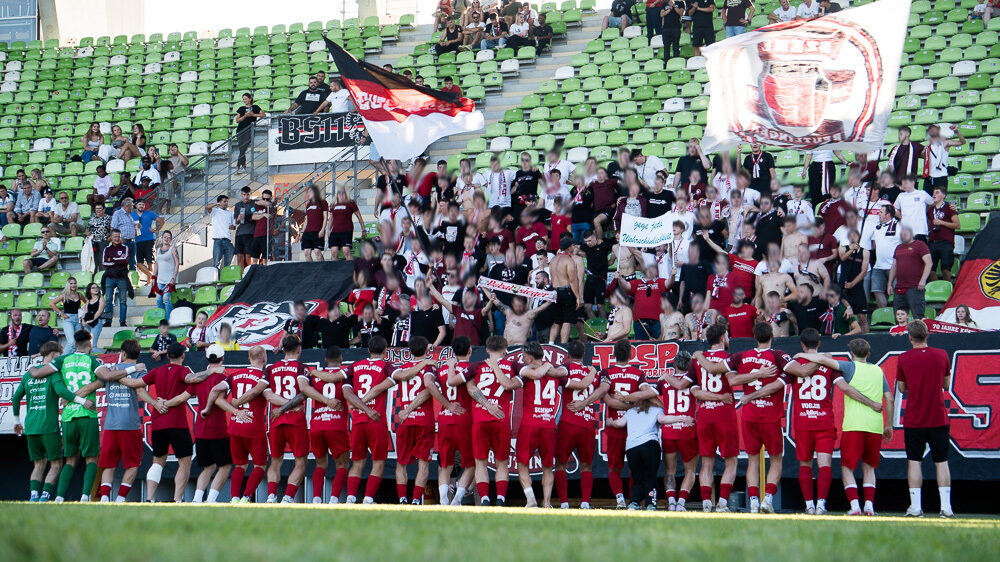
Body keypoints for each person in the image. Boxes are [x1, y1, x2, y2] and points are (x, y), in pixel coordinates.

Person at [698, 322, 810, 513]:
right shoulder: (777, 355)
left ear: (754, 337)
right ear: (772, 335)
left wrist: (699, 355)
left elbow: (719, 372)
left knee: (752, 460)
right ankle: (768, 500)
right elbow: (802, 371)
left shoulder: (742, 356)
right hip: (770, 415)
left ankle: (754, 502)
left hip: (749, 415)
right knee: (776, 460)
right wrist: (819, 358)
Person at [28, 330, 133, 502]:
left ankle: (59, 497)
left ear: (75, 344)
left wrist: (31, 365)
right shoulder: (93, 360)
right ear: (90, 344)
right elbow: (105, 377)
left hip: (68, 416)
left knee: (70, 460)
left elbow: (36, 374)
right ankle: (85, 496)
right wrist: (130, 370)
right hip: (87, 413)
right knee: (92, 458)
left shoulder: (62, 360)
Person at [798, 339, 892, 516]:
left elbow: (824, 361)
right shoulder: (878, 370)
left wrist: (800, 354)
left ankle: (855, 506)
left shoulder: (848, 367)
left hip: (854, 424)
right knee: (869, 467)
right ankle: (869, 507)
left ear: (851, 354)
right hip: (875, 425)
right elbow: (890, 398)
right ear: (869, 354)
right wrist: (889, 425)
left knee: (847, 467)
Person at [123, 343, 195, 502]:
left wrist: (156, 403)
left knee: (157, 461)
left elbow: (138, 387)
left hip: (158, 422)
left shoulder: (157, 370)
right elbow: (186, 393)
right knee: (184, 462)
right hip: (177, 422)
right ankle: (177, 499)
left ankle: (149, 498)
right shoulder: (185, 371)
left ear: (168, 356)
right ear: (183, 356)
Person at [897, 320, 955, 518]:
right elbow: (946, 384)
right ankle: (946, 507)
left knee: (914, 461)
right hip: (938, 416)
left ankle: (915, 507)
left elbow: (902, 388)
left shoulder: (904, 358)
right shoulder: (941, 355)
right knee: (942, 461)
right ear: (927, 334)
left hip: (915, 418)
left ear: (910, 337)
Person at [12, 340, 79, 501]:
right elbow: (61, 391)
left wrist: (16, 421)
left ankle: (33, 495)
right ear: (54, 355)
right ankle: (45, 495)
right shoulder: (53, 373)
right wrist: (80, 400)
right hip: (49, 427)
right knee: (56, 463)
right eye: (59, 355)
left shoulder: (29, 374)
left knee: (38, 463)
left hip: (31, 426)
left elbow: (15, 398)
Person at [598, 340, 659, 508]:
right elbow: (646, 393)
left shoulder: (606, 372)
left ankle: (620, 500)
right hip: (635, 427)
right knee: (637, 469)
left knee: (614, 468)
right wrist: (632, 405)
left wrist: (623, 403)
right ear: (631, 354)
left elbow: (608, 402)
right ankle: (634, 501)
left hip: (615, 426)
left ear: (614, 354)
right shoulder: (638, 373)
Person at [463, 335, 522, 506]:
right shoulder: (513, 365)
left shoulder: (476, 366)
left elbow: (463, 383)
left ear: (487, 349)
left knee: (480, 463)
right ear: (506, 350)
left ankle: (485, 499)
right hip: (501, 418)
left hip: (480, 419)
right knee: (502, 462)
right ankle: (501, 499)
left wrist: (486, 404)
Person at [96, 339, 155, 503]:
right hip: (130, 424)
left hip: (110, 424)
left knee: (109, 464)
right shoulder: (140, 370)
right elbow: (141, 391)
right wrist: (155, 403)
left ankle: (105, 498)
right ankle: (120, 499)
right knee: (133, 464)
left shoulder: (110, 370)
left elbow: (98, 382)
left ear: (122, 353)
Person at [341, 335, 397, 504]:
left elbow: (346, 391)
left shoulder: (355, 366)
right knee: (378, 463)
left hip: (358, 421)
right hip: (376, 419)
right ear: (385, 351)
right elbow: (392, 381)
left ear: (368, 350)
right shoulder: (386, 366)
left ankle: (350, 497)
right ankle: (368, 499)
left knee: (357, 462)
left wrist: (359, 405)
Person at [553, 340, 604, 509]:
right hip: (588, 423)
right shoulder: (593, 372)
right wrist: (586, 403)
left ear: (567, 356)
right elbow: (601, 390)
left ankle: (564, 503)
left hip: (568, 422)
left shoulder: (565, 369)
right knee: (586, 466)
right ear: (584, 354)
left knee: (560, 464)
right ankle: (585, 503)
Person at [178, 345, 233, 504]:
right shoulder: (222, 378)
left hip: (200, 428)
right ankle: (210, 500)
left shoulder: (199, 378)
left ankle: (196, 499)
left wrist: (163, 403)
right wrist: (235, 411)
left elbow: (182, 398)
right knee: (225, 466)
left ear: (207, 358)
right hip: (217, 427)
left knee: (208, 467)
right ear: (222, 358)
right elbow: (218, 400)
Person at [515, 343, 567, 508]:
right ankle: (546, 502)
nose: (523, 360)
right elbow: (564, 375)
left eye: (524, 357)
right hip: (548, 424)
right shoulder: (555, 372)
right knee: (547, 466)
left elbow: (512, 383)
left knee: (522, 463)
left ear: (530, 358)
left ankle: (530, 499)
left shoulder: (527, 373)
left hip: (530, 424)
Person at [389, 337, 437, 505]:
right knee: (423, 463)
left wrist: (407, 410)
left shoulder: (402, 368)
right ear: (427, 350)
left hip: (405, 420)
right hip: (424, 419)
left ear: (409, 351)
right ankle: (416, 500)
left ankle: (402, 499)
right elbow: (428, 390)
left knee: (401, 462)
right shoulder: (429, 367)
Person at [433, 337, 475, 506]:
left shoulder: (443, 369)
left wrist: (447, 405)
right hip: (465, 418)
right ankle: (457, 499)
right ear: (470, 350)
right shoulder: (472, 369)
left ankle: (444, 500)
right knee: (471, 463)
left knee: (445, 463)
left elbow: (431, 386)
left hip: (445, 419)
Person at [888, 225, 932, 319]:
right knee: (899, 315)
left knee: (918, 315)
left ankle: (920, 333)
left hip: (915, 286)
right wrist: (889, 284)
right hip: (900, 287)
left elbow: (929, 263)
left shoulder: (920, 245)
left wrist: (923, 280)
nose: (903, 235)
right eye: (901, 234)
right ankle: (900, 333)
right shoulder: (898, 247)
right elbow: (894, 267)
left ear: (911, 234)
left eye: (905, 233)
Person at [863, 205, 901, 310]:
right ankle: (884, 313)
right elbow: (874, 245)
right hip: (878, 265)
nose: (878, 214)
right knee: (876, 290)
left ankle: (897, 314)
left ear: (888, 215)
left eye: (881, 212)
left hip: (894, 265)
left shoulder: (899, 226)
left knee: (896, 291)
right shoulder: (877, 227)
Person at [927, 186, 959, 282]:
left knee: (945, 269)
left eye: (937, 193)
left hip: (946, 242)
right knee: (930, 270)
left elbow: (957, 225)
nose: (934, 195)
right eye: (933, 193)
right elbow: (930, 225)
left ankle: (947, 289)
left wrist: (942, 223)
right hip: (933, 242)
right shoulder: (930, 210)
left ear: (944, 195)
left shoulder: (949, 208)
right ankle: (937, 289)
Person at [923, 124, 965, 192]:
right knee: (928, 200)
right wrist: (924, 151)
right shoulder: (928, 145)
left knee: (940, 198)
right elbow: (924, 157)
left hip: (941, 175)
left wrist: (957, 131)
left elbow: (962, 142)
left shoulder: (945, 143)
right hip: (929, 176)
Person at [131, 199, 163, 284]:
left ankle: (150, 282)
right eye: (140, 204)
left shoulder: (150, 213)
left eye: (143, 204)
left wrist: (156, 230)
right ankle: (152, 276)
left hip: (149, 239)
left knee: (150, 261)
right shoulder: (131, 215)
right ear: (136, 205)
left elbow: (161, 221)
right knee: (139, 263)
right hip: (137, 240)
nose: (141, 206)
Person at [328, 188, 365, 261]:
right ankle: (335, 271)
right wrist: (328, 229)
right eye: (339, 193)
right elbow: (331, 218)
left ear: (346, 194)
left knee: (346, 251)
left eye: (343, 193)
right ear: (337, 195)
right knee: (334, 252)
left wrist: (363, 229)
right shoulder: (333, 205)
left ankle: (351, 270)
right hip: (335, 231)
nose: (341, 195)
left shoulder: (350, 203)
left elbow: (359, 216)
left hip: (346, 231)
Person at [49, 277, 83, 354]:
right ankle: (62, 358)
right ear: (68, 285)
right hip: (68, 319)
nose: (73, 285)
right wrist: (61, 313)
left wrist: (82, 312)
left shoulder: (79, 295)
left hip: (78, 319)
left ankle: (71, 359)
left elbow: (86, 303)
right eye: (71, 283)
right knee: (71, 341)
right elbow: (52, 303)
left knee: (77, 342)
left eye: (75, 283)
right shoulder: (64, 295)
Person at [151, 230, 179, 319]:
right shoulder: (158, 250)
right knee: (158, 299)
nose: (166, 238)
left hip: (169, 279)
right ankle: (161, 319)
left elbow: (177, 263)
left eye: (168, 237)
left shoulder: (173, 249)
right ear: (162, 238)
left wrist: (174, 277)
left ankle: (168, 319)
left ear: (171, 239)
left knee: (166, 299)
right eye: (165, 237)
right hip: (160, 279)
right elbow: (156, 264)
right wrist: (153, 278)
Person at [235, 94, 265, 170]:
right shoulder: (241, 108)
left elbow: (263, 115)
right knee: (242, 148)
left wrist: (253, 114)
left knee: (243, 148)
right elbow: (237, 120)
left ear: (250, 99)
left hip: (249, 130)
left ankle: (239, 165)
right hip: (240, 130)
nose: (244, 100)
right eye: (243, 99)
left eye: (245, 99)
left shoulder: (255, 107)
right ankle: (242, 165)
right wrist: (245, 116)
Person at [206, 194, 236, 269]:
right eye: (224, 201)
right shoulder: (215, 211)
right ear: (219, 202)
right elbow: (207, 207)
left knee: (228, 263)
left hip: (228, 240)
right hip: (218, 240)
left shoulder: (230, 213)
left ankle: (225, 279)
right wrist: (216, 204)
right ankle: (216, 278)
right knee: (216, 263)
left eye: (227, 201)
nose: (226, 203)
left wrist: (232, 227)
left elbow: (234, 226)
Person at [81, 283, 105, 351]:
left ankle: (98, 358)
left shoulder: (101, 298)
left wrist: (92, 319)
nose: (96, 289)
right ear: (89, 290)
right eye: (93, 288)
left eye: (96, 287)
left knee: (93, 344)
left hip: (96, 322)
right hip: (87, 322)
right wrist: (83, 320)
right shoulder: (88, 300)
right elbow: (85, 311)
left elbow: (99, 311)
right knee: (86, 343)